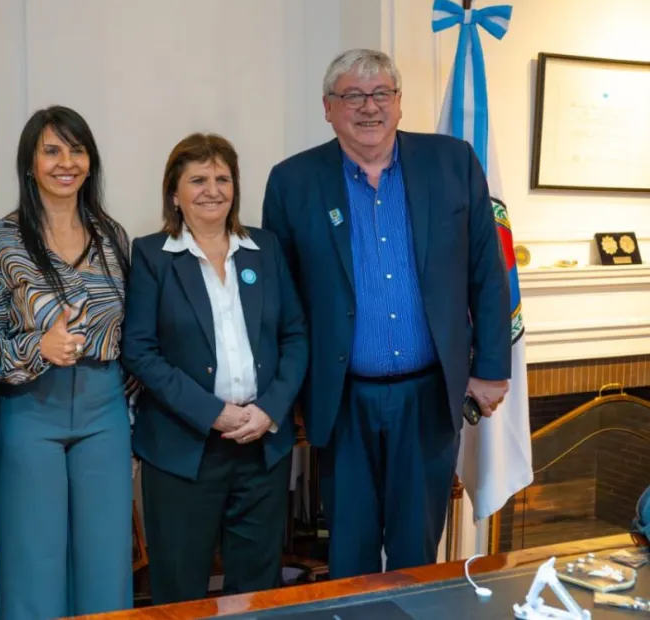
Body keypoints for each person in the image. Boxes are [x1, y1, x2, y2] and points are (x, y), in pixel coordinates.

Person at [262, 48, 511, 579]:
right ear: (328, 108)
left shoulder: (453, 162)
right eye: (352, 95)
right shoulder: (292, 181)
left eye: (380, 95)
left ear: (399, 104)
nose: (368, 107)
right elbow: (282, 305)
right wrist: (288, 395)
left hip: (429, 396)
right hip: (342, 398)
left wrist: (491, 367)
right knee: (348, 552)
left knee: (416, 552)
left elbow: (486, 271)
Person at [122, 133, 308, 604]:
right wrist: (212, 413)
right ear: (174, 193)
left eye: (222, 178)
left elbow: (295, 337)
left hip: (261, 445)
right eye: (198, 179)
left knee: (258, 588)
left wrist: (269, 410)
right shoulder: (151, 256)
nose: (212, 190)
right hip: (185, 451)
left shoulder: (265, 248)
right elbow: (140, 351)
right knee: (180, 589)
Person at [0, 105, 134, 619]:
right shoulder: (0, 241)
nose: (66, 162)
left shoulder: (113, 237)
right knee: (34, 564)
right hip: (30, 410)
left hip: (104, 411)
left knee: (106, 562)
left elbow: (132, 334)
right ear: (30, 163)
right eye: (51, 150)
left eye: (77, 149)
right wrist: (37, 349)